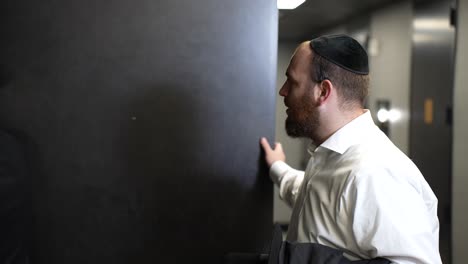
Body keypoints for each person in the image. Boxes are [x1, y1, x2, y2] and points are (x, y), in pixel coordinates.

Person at [260, 35, 442, 264]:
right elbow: (313, 198)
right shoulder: (333, 154)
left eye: (292, 82)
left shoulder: (376, 172)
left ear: (323, 92)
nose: (283, 92)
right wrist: (277, 166)